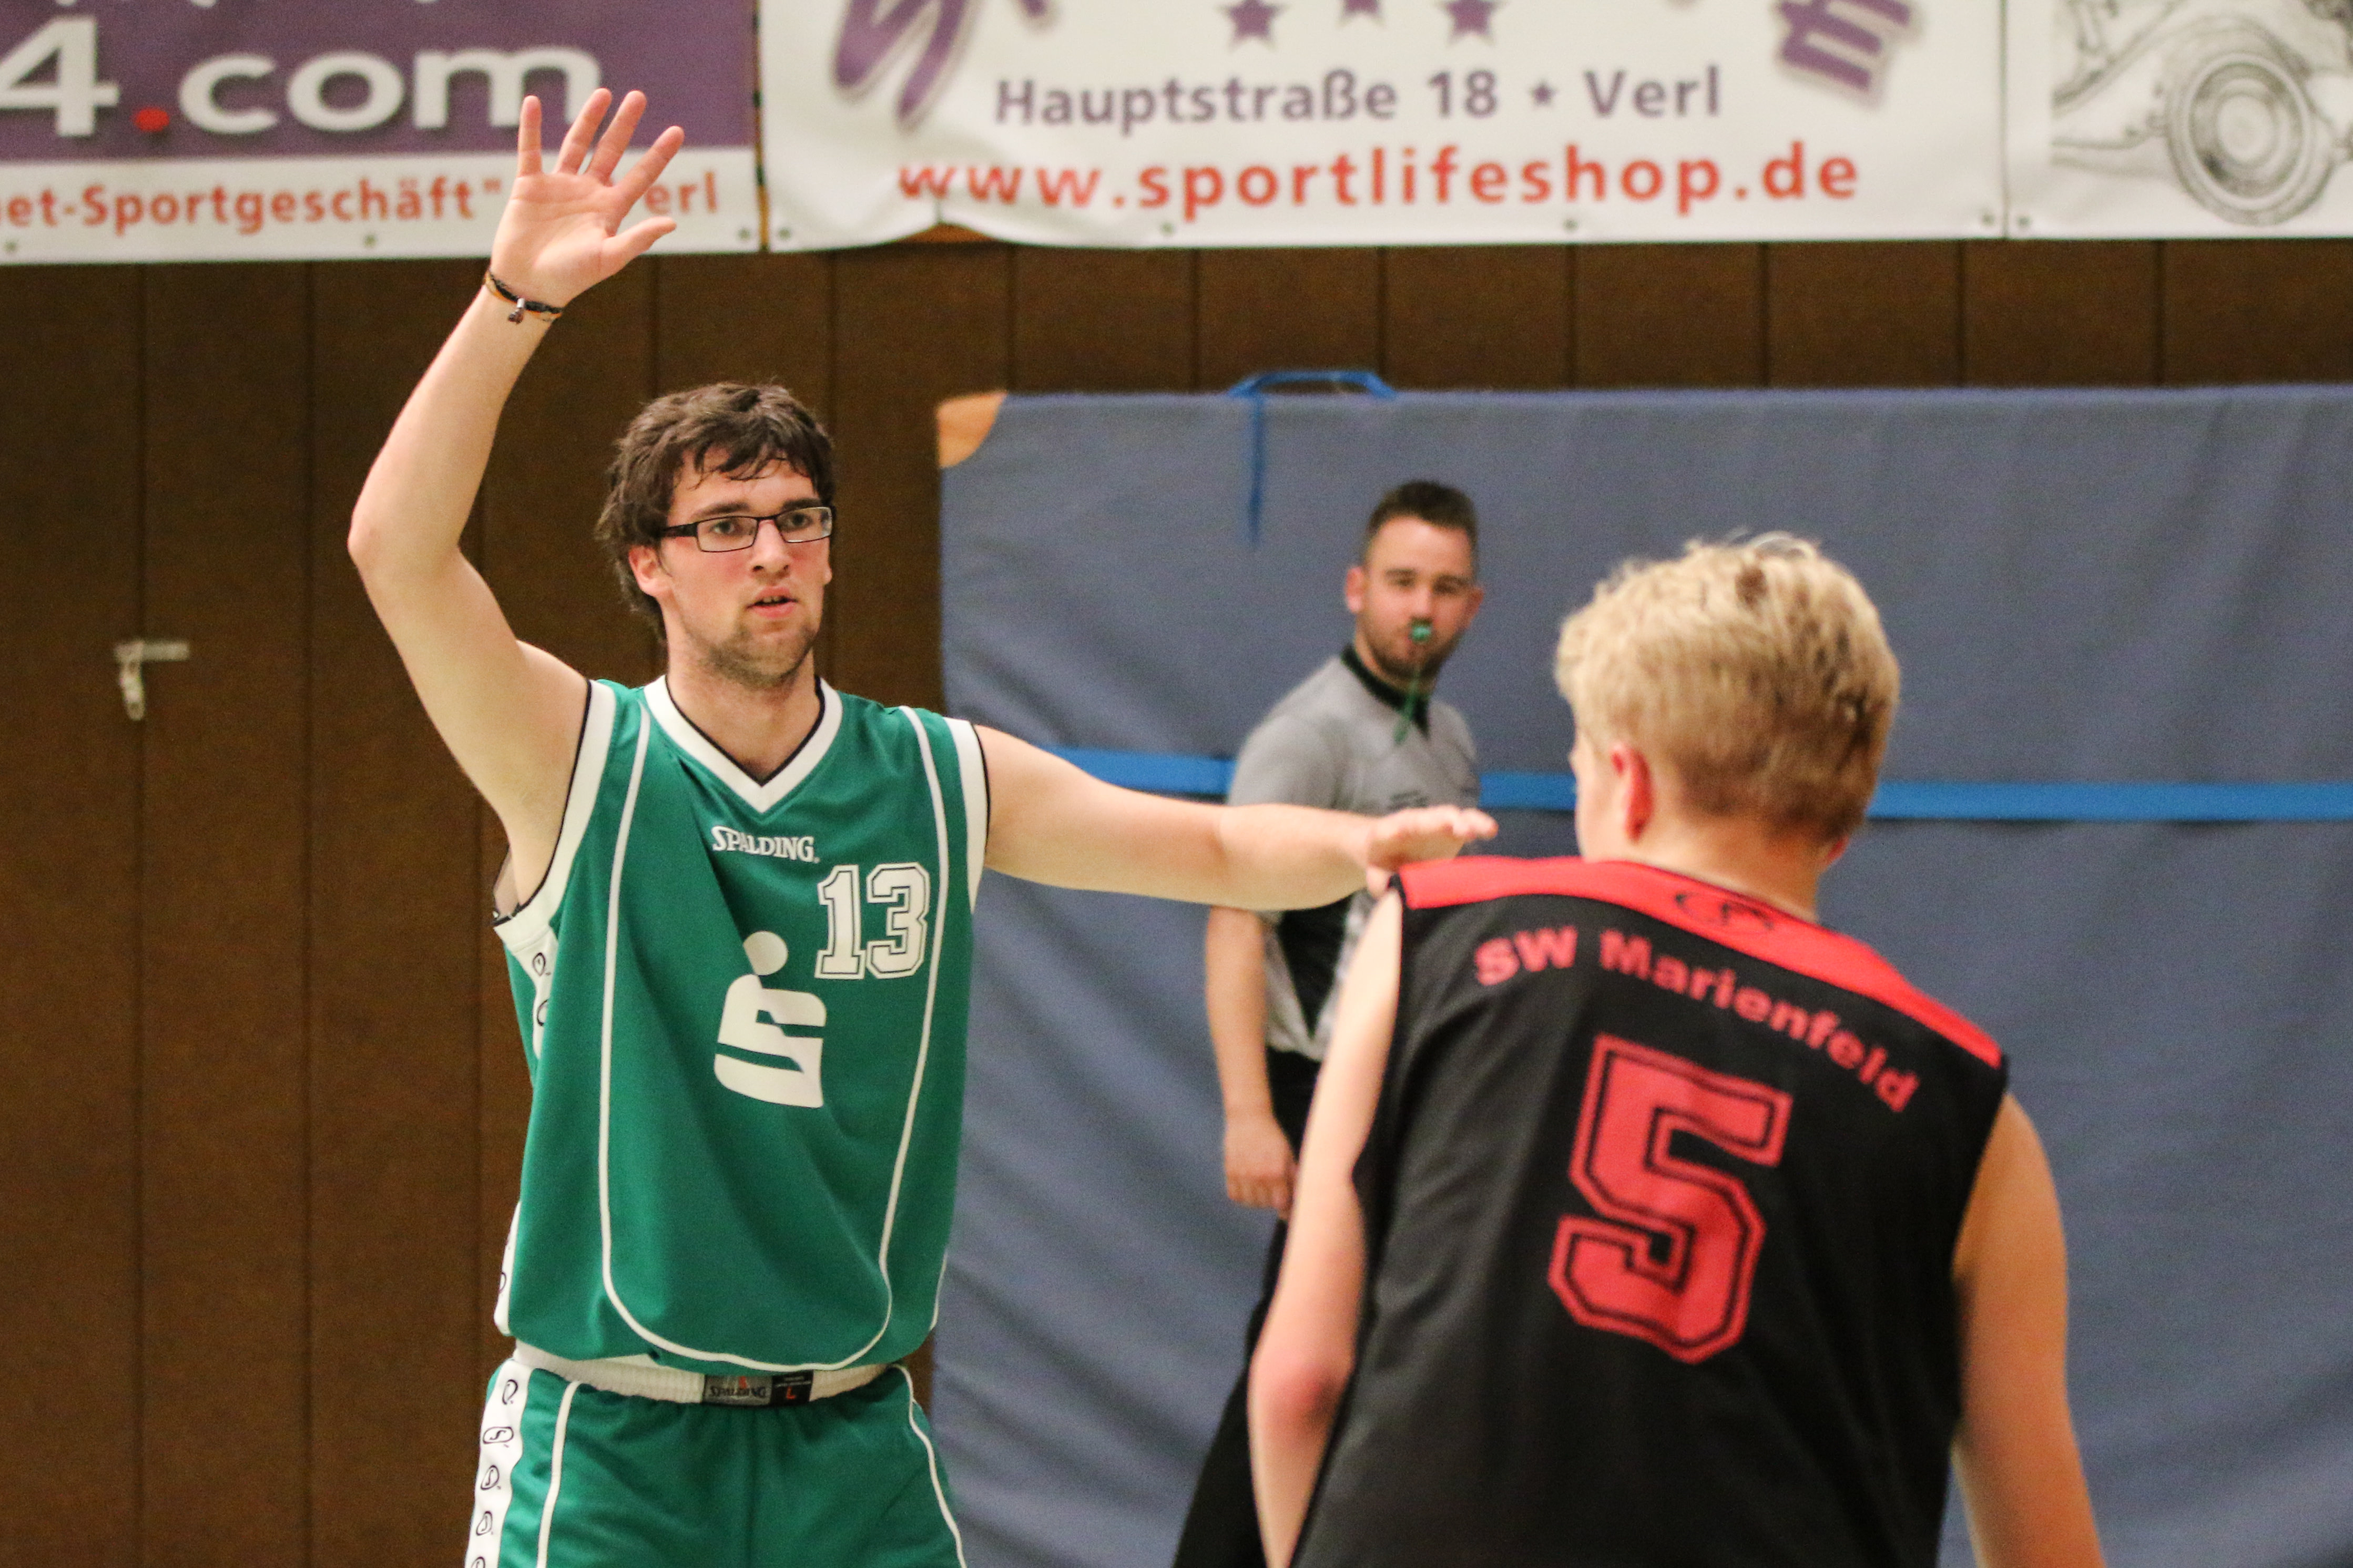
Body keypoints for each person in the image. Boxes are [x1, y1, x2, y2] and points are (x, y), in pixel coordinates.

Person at [347, 90, 1493, 1568]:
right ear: (649, 567)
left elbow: (1203, 853)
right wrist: (516, 298)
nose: (772, 550)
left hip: (852, 1441)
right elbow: (398, 551)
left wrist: (1362, 852)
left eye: (799, 517)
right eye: (725, 525)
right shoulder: (576, 757)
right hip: (615, 1441)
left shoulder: (938, 778)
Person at [1248, 537, 2105, 1568]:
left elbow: (1301, 1383)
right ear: (1842, 826)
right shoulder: (1971, 1110)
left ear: (1628, 782)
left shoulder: (1433, 933)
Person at [1173, 481, 1485, 1568]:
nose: (1420, 610)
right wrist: (1251, 1113)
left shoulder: (1451, 738)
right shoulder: (1307, 738)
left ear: (1473, 604)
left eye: (1444, 588)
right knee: (1296, 1355)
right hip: (1315, 1092)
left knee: (1367, 1346)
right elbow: (1234, 919)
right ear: (1358, 588)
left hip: (1403, 1096)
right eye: (1401, 583)